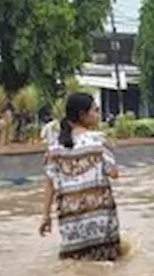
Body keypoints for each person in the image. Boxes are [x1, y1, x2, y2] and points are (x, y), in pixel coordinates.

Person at [39, 93, 122, 261]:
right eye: (95, 111)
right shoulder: (98, 141)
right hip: (99, 215)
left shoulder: (54, 147)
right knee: (107, 264)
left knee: (75, 263)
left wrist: (45, 216)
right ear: (83, 115)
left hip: (70, 218)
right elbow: (114, 174)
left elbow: (50, 184)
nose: (98, 115)